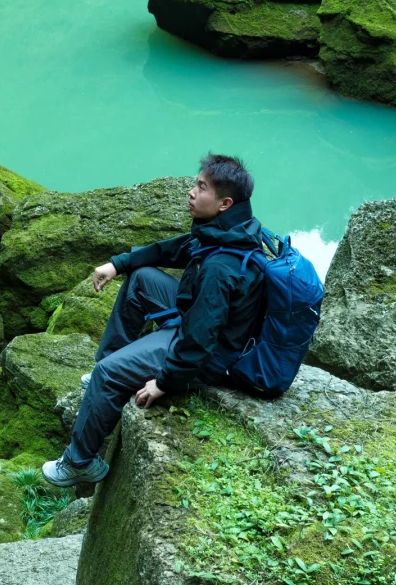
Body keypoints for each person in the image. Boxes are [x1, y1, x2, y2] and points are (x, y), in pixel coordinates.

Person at [42, 155, 266, 487]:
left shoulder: (221, 267)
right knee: (142, 277)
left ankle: (79, 463)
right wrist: (119, 264)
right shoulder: (225, 231)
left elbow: (200, 341)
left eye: (201, 187)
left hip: (207, 353)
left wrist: (165, 383)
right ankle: (109, 369)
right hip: (196, 321)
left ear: (224, 203)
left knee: (108, 375)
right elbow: (171, 250)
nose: (191, 192)